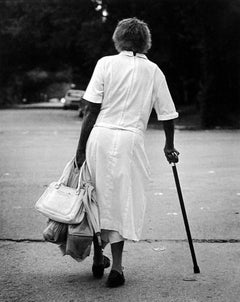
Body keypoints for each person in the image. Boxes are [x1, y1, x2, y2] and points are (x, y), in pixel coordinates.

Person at [75, 17, 179, 288]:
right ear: (146, 42)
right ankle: (117, 268)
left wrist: (80, 150)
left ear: (118, 39)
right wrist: (169, 145)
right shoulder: (154, 71)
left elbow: (91, 109)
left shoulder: (105, 64)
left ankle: (98, 257)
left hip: (100, 136)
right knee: (122, 201)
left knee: (94, 196)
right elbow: (167, 113)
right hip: (131, 142)